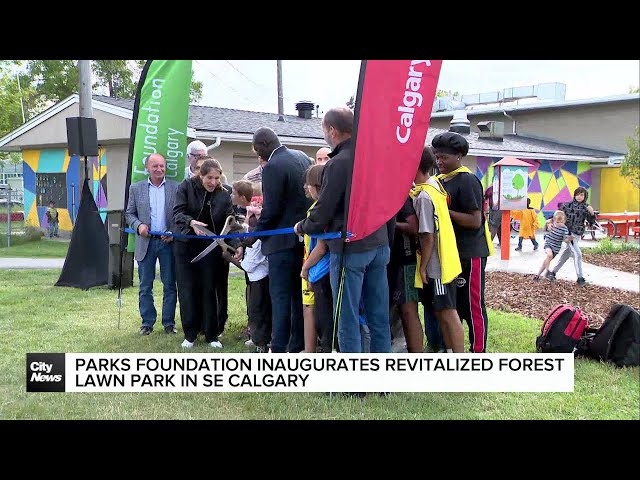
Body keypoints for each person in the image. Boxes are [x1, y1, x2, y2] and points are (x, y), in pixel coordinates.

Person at [295, 107, 391, 353]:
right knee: (378, 314)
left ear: (332, 130)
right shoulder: (375, 159)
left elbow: (324, 209)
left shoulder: (337, 163)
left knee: (346, 317)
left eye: (324, 130)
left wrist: (302, 226)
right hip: (379, 244)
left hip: (351, 249)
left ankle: (353, 383)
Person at [240, 127, 312, 353]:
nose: (256, 155)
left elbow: (271, 211)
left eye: (255, 150)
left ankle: (279, 347)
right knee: (297, 296)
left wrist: (254, 236)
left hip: (281, 244)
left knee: (280, 298)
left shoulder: (272, 167)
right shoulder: (301, 157)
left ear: (262, 145)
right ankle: (297, 344)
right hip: (302, 240)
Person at [433, 132, 493, 353]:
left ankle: (478, 351)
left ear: (458, 156)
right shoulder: (439, 182)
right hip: (450, 254)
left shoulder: (467, 180)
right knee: (455, 304)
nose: (439, 162)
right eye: (437, 157)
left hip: (471, 254)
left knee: (473, 304)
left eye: (444, 158)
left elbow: (475, 220)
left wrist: (443, 212)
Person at [173, 158, 240, 348]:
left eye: (217, 178)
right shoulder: (185, 187)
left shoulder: (223, 194)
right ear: (200, 175)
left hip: (211, 248)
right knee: (187, 290)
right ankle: (190, 335)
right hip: (186, 246)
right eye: (209, 178)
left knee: (210, 290)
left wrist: (237, 245)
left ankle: (212, 335)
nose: (213, 182)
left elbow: (231, 223)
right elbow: (177, 213)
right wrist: (191, 223)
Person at [412, 146, 465, 353]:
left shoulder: (425, 196)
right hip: (447, 260)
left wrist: (423, 267)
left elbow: (427, 235)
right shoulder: (435, 186)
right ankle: (450, 351)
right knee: (440, 311)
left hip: (437, 266)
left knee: (447, 311)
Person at [125, 153, 179, 336]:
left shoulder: (175, 188)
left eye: (162, 166)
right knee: (145, 285)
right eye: (155, 166)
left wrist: (173, 232)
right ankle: (147, 323)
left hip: (168, 244)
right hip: (145, 243)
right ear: (147, 167)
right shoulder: (136, 188)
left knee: (170, 285)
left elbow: (180, 215)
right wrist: (138, 225)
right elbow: (129, 214)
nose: (159, 169)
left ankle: (169, 323)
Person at [300, 164, 334, 353]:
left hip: (321, 271)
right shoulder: (316, 207)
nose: (305, 188)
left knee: (324, 319)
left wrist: (306, 269)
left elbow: (321, 246)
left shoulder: (320, 210)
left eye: (308, 184)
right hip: (317, 270)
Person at [388, 192, 423, 353]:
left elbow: (413, 226)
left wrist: (390, 223)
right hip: (389, 262)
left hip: (405, 260)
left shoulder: (401, 196)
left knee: (408, 311)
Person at [546, 187, 595, 286]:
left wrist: (592, 212)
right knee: (577, 254)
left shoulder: (586, 207)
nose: (579, 197)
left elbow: (591, 222)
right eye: (577, 194)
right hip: (569, 234)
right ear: (574, 195)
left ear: (585, 196)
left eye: (581, 195)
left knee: (566, 254)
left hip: (577, 235)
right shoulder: (568, 205)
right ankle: (580, 278)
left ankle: (552, 273)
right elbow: (556, 214)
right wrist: (549, 222)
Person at [241, 238, 271, 353]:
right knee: (256, 312)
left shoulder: (256, 242)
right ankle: (258, 341)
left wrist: (229, 258)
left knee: (259, 313)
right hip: (256, 281)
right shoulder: (252, 238)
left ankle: (261, 344)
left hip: (260, 281)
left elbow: (248, 266)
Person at [534, 210, 570, 281]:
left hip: (556, 248)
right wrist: (546, 224)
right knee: (549, 255)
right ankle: (547, 272)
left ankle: (537, 275)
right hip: (549, 243)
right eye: (557, 222)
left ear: (565, 221)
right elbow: (544, 230)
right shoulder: (551, 223)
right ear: (554, 220)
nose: (559, 224)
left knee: (546, 261)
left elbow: (565, 240)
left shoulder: (565, 229)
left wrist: (568, 239)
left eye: (562, 222)